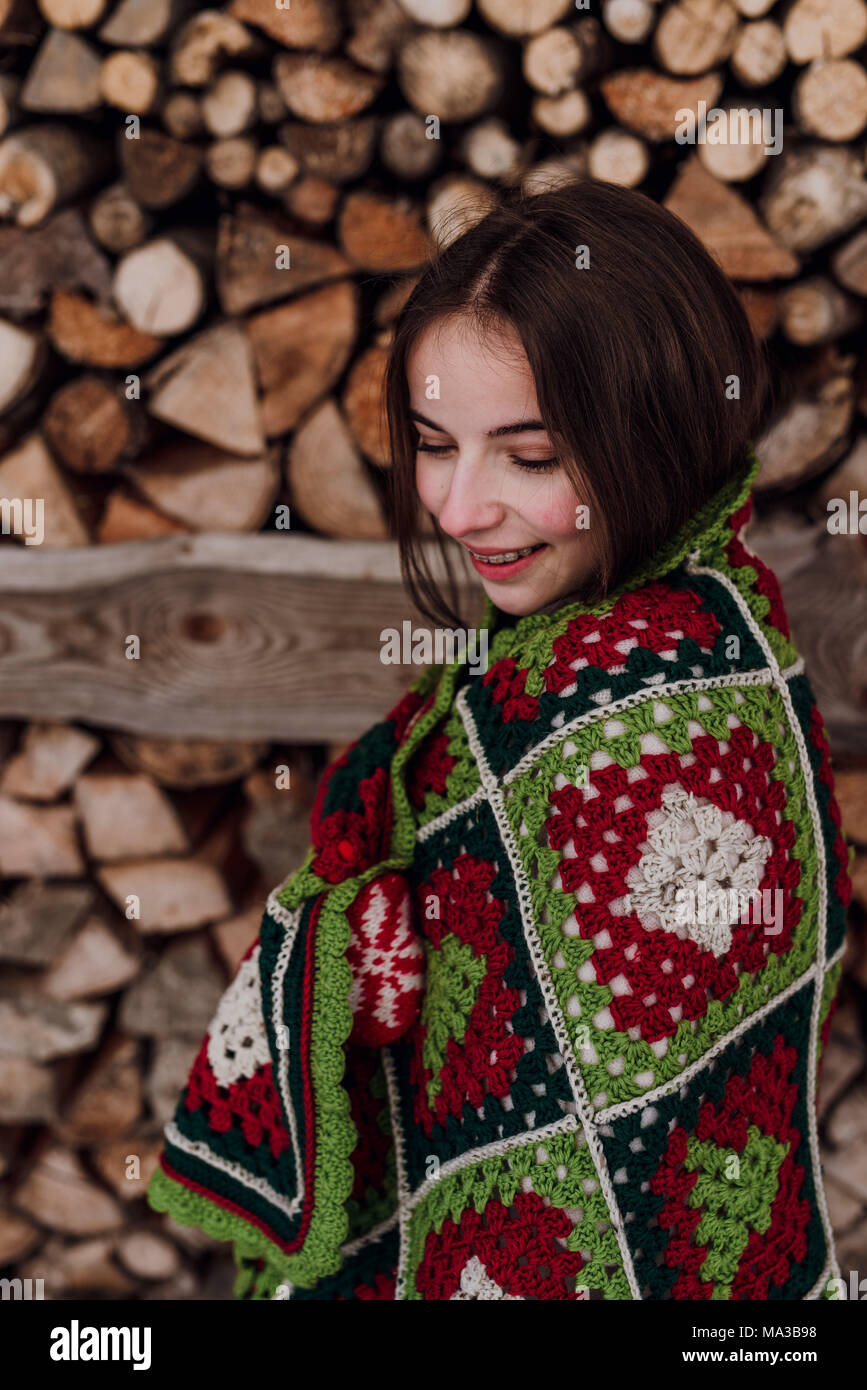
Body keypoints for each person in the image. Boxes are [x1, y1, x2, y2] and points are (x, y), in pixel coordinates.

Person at [147, 178, 853, 1300]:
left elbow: (613, 1134)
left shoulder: (674, 703)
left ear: (658, 431)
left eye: (530, 457)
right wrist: (369, 946)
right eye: (436, 444)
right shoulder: (559, 649)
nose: (460, 507)